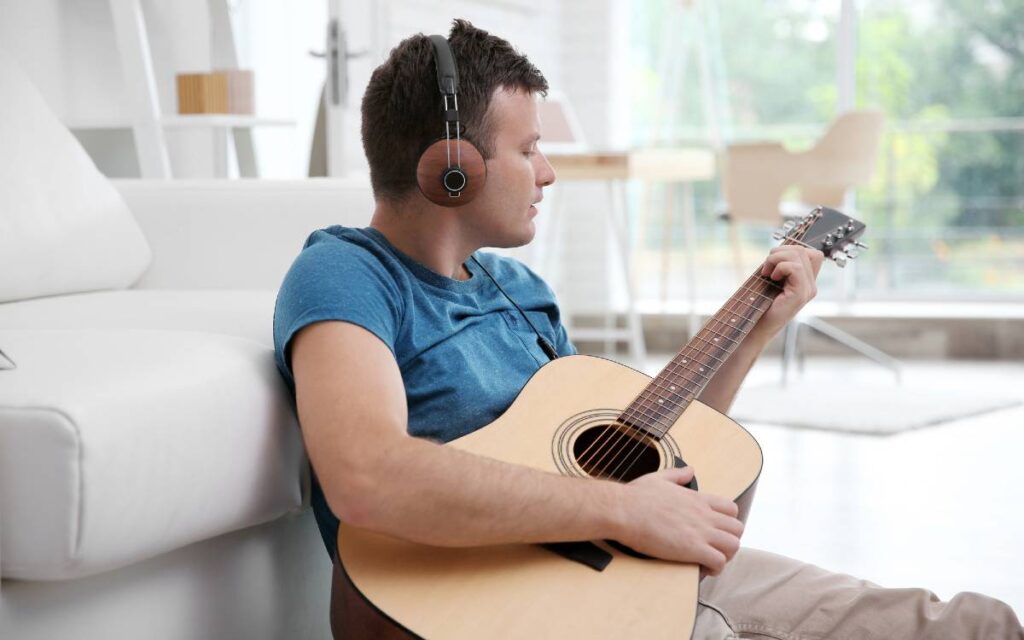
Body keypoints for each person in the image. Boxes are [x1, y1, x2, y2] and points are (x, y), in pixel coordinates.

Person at [273, 19, 1023, 640]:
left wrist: (753, 331)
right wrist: (622, 510)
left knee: (973, 625)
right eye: (528, 147)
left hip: (624, 577)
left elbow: (632, 457)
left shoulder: (522, 292)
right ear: (452, 171)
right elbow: (368, 477)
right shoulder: (346, 274)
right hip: (496, 607)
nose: (548, 173)